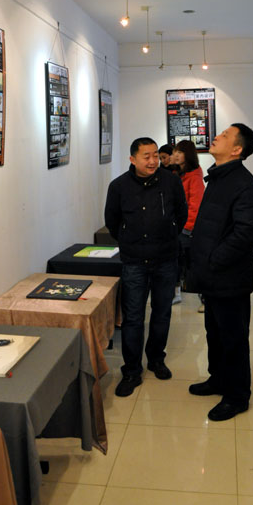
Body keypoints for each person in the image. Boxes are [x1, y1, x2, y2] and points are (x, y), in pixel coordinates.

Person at [105, 137, 188, 396]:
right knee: (133, 317)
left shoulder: (171, 182)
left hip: (165, 258)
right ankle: (131, 370)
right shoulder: (118, 186)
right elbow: (112, 222)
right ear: (132, 159)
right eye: (146, 156)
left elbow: (181, 214)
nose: (153, 161)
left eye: (155, 155)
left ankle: (156, 359)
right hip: (134, 261)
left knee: (162, 312)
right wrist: (130, 240)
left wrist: (168, 235)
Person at [188, 124, 253, 421]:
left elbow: (245, 233)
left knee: (233, 339)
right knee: (215, 333)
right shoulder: (219, 177)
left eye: (225, 135)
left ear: (237, 150)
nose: (217, 136)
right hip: (213, 277)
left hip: (229, 278)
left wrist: (214, 260)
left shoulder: (242, 183)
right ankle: (218, 379)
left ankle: (237, 396)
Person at [171, 140, 205, 304]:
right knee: (178, 262)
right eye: (175, 151)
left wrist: (185, 228)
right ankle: (177, 293)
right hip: (178, 227)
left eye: (180, 152)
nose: (176, 155)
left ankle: (204, 298)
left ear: (188, 155)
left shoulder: (194, 177)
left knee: (193, 264)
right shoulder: (178, 173)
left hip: (187, 229)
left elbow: (195, 206)